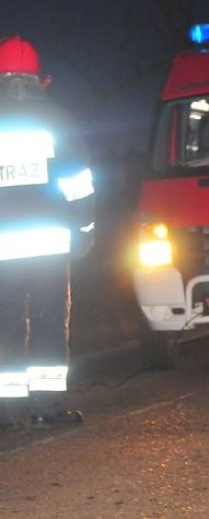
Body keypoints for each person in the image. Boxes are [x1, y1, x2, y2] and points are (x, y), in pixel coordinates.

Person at [0, 35, 94, 430]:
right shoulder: (57, 119)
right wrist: (86, 230)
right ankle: (46, 410)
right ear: (40, 78)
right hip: (50, 245)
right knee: (48, 324)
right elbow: (78, 183)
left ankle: (5, 413)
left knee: (3, 326)